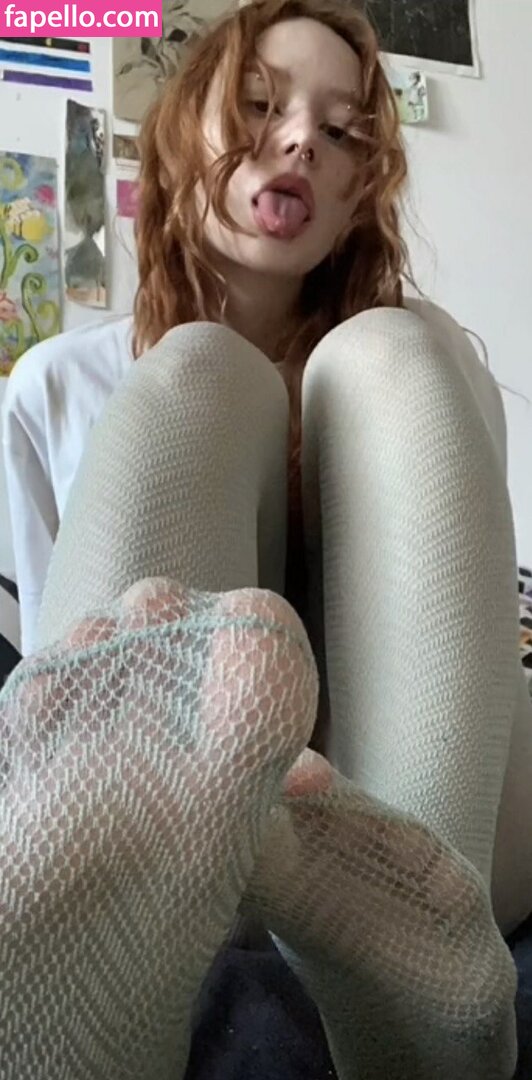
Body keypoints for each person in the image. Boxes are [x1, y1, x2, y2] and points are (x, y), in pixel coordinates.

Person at [1, 0, 532, 1077]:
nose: (298, 141)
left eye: (341, 133)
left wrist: (423, 360)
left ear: (360, 189)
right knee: (193, 376)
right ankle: (115, 951)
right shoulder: (55, 389)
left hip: (426, 807)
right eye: (258, 103)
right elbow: (60, 668)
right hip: (196, 828)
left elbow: (472, 645)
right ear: (184, 122)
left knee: (396, 353)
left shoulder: (425, 370)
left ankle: (414, 949)